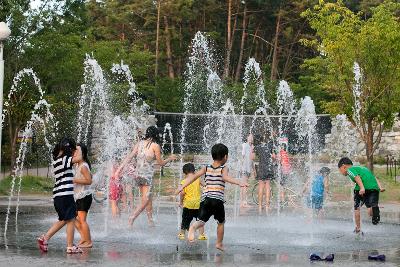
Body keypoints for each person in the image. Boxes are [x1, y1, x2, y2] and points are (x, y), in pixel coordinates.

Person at [176, 143, 248, 251]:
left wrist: (182, 186)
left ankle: (193, 228)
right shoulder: (223, 168)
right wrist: (239, 182)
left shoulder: (206, 168)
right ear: (225, 157)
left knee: (201, 221)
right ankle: (219, 244)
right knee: (221, 222)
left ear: (212, 156)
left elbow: (193, 177)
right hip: (217, 200)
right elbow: (225, 178)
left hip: (206, 200)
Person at [115, 126, 177, 226]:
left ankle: (150, 220)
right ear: (156, 134)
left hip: (138, 175)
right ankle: (132, 217)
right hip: (147, 176)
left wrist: (118, 170)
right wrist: (170, 158)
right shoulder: (155, 146)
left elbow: (129, 157)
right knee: (146, 199)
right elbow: (161, 163)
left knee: (148, 198)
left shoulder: (139, 144)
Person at [37, 138, 83, 254]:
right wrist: (79, 148)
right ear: (69, 149)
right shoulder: (64, 159)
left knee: (64, 219)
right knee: (71, 220)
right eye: (73, 150)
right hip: (65, 194)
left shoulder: (56, 161)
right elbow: (79, 159)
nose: (74, 152)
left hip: (58, 195)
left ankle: (45, 238)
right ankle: (69, 246)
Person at [338, 157, 385, 234]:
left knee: (357, 208)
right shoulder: (363, 168)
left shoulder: (349, 170)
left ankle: (358, 228)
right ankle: (374, 210)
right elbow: (374, 178)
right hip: (374, 189)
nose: (341, 172)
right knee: (370, 210)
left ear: (344, 166)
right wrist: (380, 187)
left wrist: (362, 188)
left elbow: (357, 177)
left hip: (362, 189)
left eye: (340, 170)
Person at [178, 163, 207, 241]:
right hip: (198, 204)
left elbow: (182, 193)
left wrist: (181, 202)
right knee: (200, 221)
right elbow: (205, 185)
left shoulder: (184, 181)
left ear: (184, 173)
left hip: (188, 205)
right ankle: (201, 235)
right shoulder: (198, 179)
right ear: (194, 171)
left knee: (185, 220)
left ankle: (182, 234)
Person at [73, 143, 93, 248]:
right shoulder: (78, 165)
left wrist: (74, 180)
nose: (74, 152)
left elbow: (89, 181)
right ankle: (84, 238)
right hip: (79, 196)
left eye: (77, 151)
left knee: (82, 220)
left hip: (84, 196)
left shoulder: (84, 166)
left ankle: (88, 241)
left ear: (83, 154)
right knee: (72, 217)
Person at [254, 134, 275, 213]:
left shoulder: (257, 147)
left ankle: (259, 206)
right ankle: (267, 206)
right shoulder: (269, 146)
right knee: (267, 187)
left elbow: (252, 157)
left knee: (260, 187)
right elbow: (273, 156)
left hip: (261, 168)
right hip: (268, 168)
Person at [240, 134, 255, 208]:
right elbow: (242, 156)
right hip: (244, 168)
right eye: (250, 137)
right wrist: (242, 167)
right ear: (247, 138)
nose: (251, 138)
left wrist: (253, 170)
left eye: (252, 137)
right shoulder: (245, 145)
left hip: (248, 169)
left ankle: (243, 202)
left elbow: (252, 159)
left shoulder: (251, 147)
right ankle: (243, 202)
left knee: (245, 185)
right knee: (244, 185)